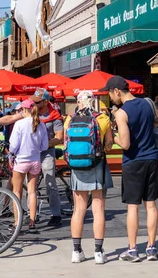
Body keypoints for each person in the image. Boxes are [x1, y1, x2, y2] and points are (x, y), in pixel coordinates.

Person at [100, 75, 158, 262]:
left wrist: (112, 137)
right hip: (151, 159)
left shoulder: (121, 113)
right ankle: (151, 248)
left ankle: (133, 250)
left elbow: (125, 144)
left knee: (133, 207)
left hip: (133, 162)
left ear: (117, 91)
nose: (111, 98)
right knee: (151, 205)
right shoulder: (148, 103)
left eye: (110, 94)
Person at [0, 88, 64, 227]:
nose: (34, 103)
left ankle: (56, 214)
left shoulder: (54, 115)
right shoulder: (30, 110)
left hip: (45, 151)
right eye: (33, 101)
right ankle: (30, 216)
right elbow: (11, 118)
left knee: (50, 180)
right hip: (33, 154)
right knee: (30, 188)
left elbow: (60, 137)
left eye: (37, 102)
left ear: (45, 102)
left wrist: (40, 145)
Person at [65, 91, 114, 264]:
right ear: (94, 102)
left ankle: (76, 251)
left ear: (78, 102)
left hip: (77, 168)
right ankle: (99, 252)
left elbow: (67, 145)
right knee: (98, 209)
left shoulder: (69, 120)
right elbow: (109, 145)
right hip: (97, 166)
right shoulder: (102, 119)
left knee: (79, 209)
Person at [9, 99, 49, 233]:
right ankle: (32, 222)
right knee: (32, 192)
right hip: (35, 161)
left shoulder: (19, 124)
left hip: (21, 160)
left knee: (17, 192)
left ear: (24, 110)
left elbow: (14, 145)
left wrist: (11, 155)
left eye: (20, 110)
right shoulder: (41, 124)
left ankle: (17, 222)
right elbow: (45, 146)